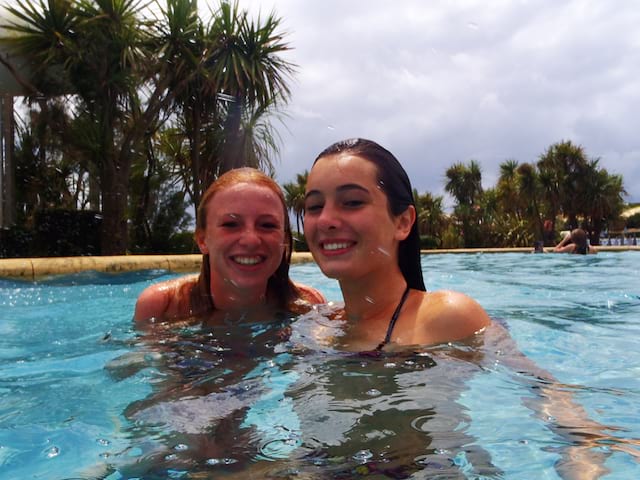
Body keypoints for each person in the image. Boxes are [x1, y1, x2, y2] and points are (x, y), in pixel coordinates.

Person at [303, 138, 490, 351]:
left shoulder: (447, 319)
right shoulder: (320, 326)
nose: (325, 220)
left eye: (353, 202)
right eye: (315, 206)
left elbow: (532, 381)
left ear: (403, 222)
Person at [134, 167, 325, 322]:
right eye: (231, 224)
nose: (250, 240)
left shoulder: (308, 306)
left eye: (267, 225)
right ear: (202, 240)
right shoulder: (163, 306)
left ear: (283, 240)